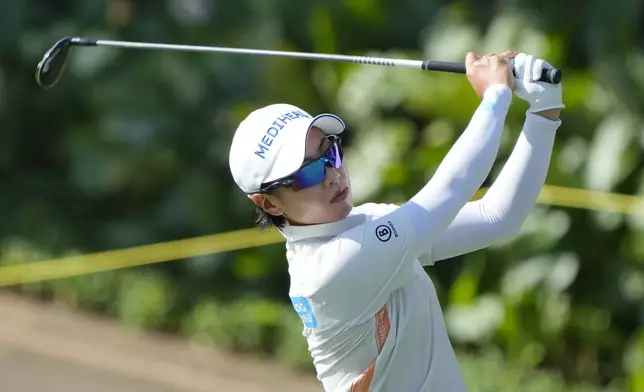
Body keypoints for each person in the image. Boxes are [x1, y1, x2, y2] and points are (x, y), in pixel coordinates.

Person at [227, 51, 564, 392]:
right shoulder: (328, 269)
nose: (332, 175)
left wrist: (543, 111)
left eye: (330, 151)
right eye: (309, 171)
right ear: (268, 202)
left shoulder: (366, 222)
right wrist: (496, 95)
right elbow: (450, 188)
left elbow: (496, 217)